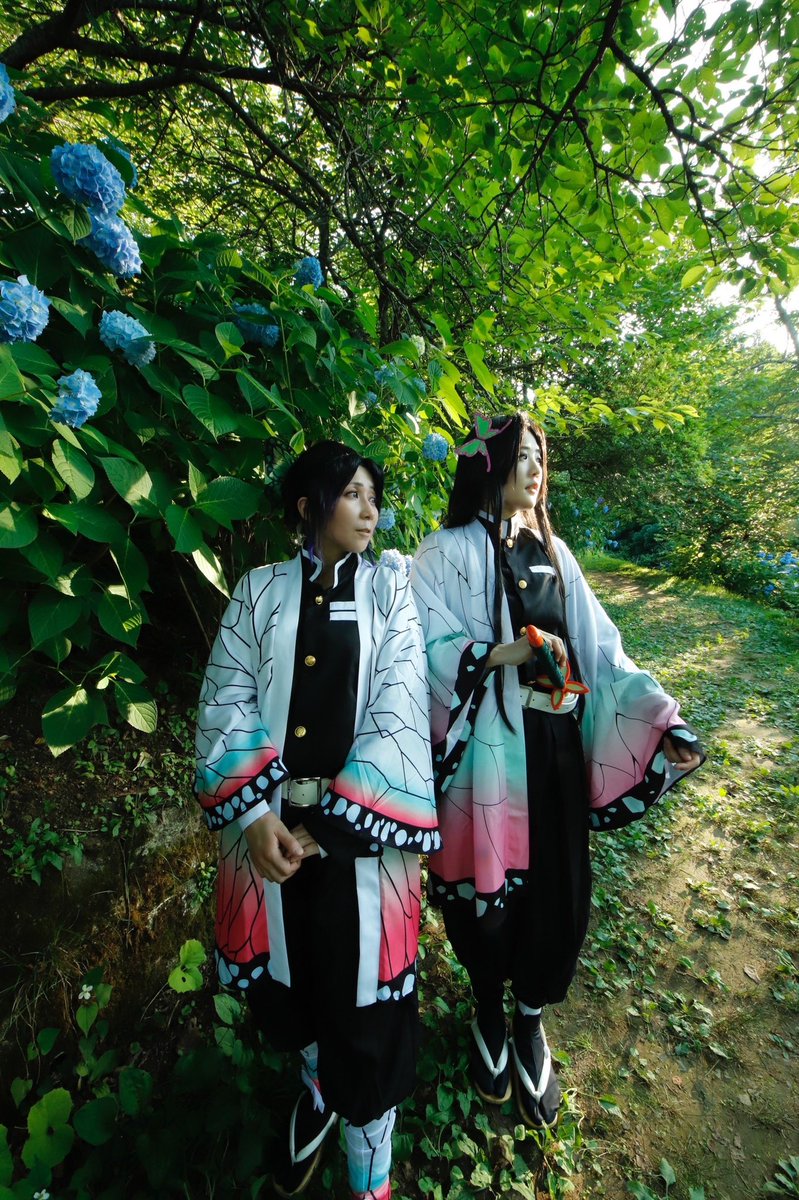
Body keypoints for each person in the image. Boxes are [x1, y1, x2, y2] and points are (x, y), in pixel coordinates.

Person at [411, 412, 703, 1128]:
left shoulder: (555, 552)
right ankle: (487, 1006)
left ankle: (529, 1016)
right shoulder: (444, 552)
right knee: (483, 885)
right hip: (487, 754)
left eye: (540, 457)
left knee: (559, 885)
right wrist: (499, 654)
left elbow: (603, 650)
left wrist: (662, 717)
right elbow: (423, 643)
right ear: (487, 465)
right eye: (521, 456)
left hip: (557, 748)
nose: (536, 470)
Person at [195, 440, 440, 1199]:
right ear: (308, 506)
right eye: (352, 494)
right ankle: (317, 1087)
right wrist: (253, 817)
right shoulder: (257, 591)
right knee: (290, 983)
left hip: (362, 844)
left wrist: (332, 826)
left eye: (374, 496)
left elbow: (401, 705)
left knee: (366, 1010)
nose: (370, 511)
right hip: (269, 837)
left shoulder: (391, 594)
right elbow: (225, 696)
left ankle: (371, 1174)